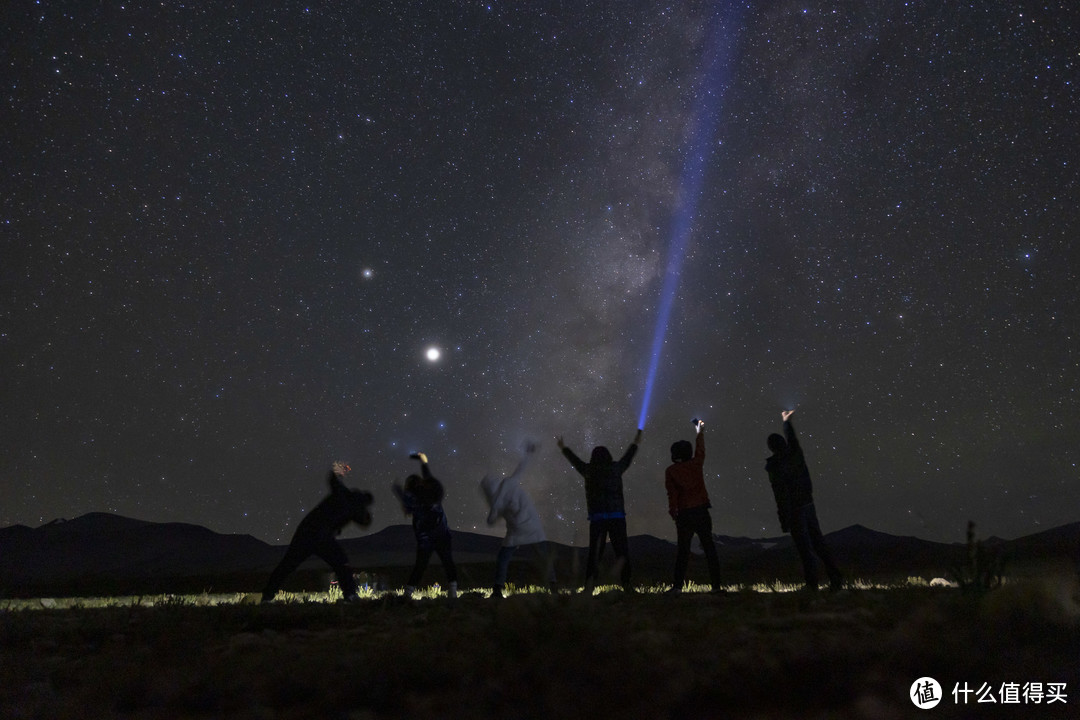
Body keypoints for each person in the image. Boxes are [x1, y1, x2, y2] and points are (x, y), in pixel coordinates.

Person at [262, 461, 374, 603]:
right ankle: (350, 595)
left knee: (287, 565)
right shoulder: (352, 505)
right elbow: (365, 522)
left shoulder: (344, 494)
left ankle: (267, 596)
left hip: (308, 532)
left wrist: (338, 469)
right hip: (320, 535)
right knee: (341, 564)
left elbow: (333, 480)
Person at [765, 410, 844, 593]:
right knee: (819, 543)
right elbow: (793, 439)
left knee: (804, 548)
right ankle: (835, 579)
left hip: (794, 509)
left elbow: (780, 495)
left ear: (771, 447)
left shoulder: (775, 466)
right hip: (808, 504)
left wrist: (783, 518)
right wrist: (786, 422)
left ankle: (812, 584)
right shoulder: (795, 454)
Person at [557, 428, 643, 592]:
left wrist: (563, 448)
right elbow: (628, 457)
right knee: (622, 551)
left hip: (597, 518)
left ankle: (589, 586)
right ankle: (627, 585)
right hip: (617, 516)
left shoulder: (588, 470)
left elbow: (574, 461)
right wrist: (635, 442)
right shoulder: (616, 468)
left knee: (595, 554)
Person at [480, 441, 556, 597]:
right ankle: (553, 586)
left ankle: (497, 589)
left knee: (503, 558)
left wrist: (493, 510)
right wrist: (529, 453)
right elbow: (521, 469)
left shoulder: (496, 503)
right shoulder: (509, 483)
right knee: (544, 557)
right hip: (533, 527)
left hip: (516, 532)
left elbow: (491, 521)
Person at [665, 419, 723, 593]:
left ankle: (677, 587)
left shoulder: (671, 471)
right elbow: (701, 451)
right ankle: (716, 586)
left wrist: (673, 512)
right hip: (701, 511)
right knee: (709, 548)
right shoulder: (696, 464)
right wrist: (700, 432)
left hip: (684, 514)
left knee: (683, 551)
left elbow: (672, 494)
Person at [392, 452, 458, 599]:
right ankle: (453, 592)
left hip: (425, 539)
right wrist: (423, 461)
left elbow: (402, 496)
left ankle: (408, 593)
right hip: (442, 534)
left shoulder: (412, 499)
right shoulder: (432, 492)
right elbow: (428, 476)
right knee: (448, 562)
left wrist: (396, 488)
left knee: (420, 565)